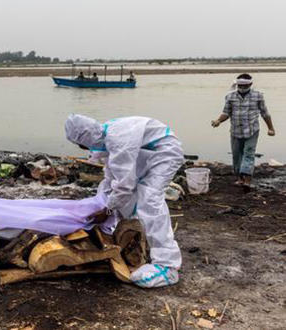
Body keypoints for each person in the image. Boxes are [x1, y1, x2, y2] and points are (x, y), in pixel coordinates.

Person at [65, 114, 184, 288]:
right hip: (146, 152)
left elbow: (124, 186)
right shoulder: (104, 137)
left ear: (86, 138)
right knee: (119, 194)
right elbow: (111, 177)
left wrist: (107, 210)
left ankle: (168, 265)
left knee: (150, 199)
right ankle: (130, 232)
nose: (81, 148)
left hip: (164, 152)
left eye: (80, 144)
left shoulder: (118, 139)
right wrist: (101, 202)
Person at [212, 73, 275, 188]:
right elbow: (226, 113)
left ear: (250, 84)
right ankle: (240, 178)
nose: (242, 88)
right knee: (237, 155)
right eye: (239, 86)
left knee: (249, 154)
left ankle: (247, 179)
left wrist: (270, 128)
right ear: (237, 85)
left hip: (252, 130)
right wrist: (218, 121)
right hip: (235, 131)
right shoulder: (230, 97)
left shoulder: (258, 96)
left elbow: (265, 113)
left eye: (244, 86)